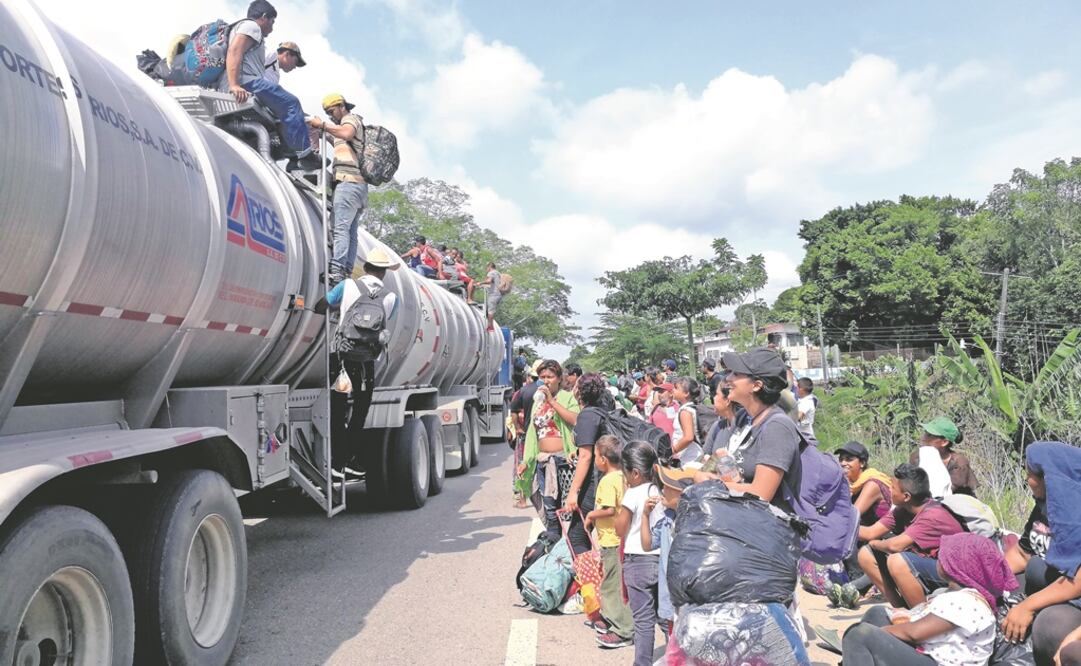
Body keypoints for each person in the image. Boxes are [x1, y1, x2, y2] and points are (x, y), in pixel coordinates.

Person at [841, 532, 1016, 666]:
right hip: (932, 655)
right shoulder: (955, 595)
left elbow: (913, 633)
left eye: (942, 555)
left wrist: (878, 633)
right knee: (877, 613)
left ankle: (858, 651)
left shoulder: (967, 603)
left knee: (859, 635)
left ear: (955, 567)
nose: (937, 558)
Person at [313, 248, 399, 468]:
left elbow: (322, 305)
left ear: (366, 267)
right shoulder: (391, 297)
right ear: (384, 273)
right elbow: (382, 322)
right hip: (366, 363)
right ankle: (350, 456)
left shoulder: (348, 285)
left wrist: (335, 308)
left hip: (342, 359)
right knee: (360, 409)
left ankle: (337, 459)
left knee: (338, 407)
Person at [1001, 442, 1081, 666]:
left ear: (1050, 477)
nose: (1027, 481)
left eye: (1030, 475)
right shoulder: (1045, 506)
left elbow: (1078, 579)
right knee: (1008, 586)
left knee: (1050, 625)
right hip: (1054, 585)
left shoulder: (1075, 513)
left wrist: (1028, 606)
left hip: (1074, 593)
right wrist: (989, 578)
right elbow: (1022, 554)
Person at [220, 1, 319, 171]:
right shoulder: (252, 27)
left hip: (248, 82)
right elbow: (235, 51)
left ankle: (295, 154)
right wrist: (234, 84)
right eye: (272, 22)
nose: (272, 29)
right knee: (291, 103)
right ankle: (304, 154)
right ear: (264, 17)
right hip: (247, 82)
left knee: (288, 111)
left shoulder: (244, 28)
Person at [856, 463, 964, 609]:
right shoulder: (902, 510)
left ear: (906, 496)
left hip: (953, 574)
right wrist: (834, 526)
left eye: (893, 487)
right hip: (930, 566)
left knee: (898, 561)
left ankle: (919, 616)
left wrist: (875, 544)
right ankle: (900, 609)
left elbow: (895, 546)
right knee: (865, 554)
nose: (889, 490)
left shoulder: (933, 515)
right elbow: (870, 532)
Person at [307, 93, 371, 286]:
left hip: (348, 183)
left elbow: (346, 134)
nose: (330, 116)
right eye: (327, 114)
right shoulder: (342, 127)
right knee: (350, 232)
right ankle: (346, 271)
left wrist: (322, 125)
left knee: (340, 229)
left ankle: (336, 270)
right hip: (358, 187)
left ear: (342, 106)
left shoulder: (350, 120)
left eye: (331, 111)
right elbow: (339, 139)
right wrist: (321, 133)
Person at [514, 360, 581, 544]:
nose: (545, 381)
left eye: (550, 377)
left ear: (559, 379)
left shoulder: (567, 397)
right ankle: (554, 547)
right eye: (542, 377)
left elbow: (575, 419)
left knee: (568, 510)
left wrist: (552, 402)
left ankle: (570, 548)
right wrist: (526, 460)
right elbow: (532, 434)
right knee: (550, 509)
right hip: (543, 462)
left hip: (564, 461)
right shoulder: (538, 401)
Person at [584, 436, 634, 648]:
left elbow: (609, 510)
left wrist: (590, 516)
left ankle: (622, 630)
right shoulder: (623, 476)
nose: (595, 460)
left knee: (611, 585)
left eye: (596, 456)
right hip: (620, 538)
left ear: (603, 459)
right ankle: (609, 617)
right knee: (615, 582)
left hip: (612, 540)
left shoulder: (607, 481)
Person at [615, 440, 661, 666]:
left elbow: (620, 529)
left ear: (634, 473)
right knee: (664, 616)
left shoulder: (633, 494)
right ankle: (678, 657)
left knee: (643, 621)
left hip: (638, 561)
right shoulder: (659, 489)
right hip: (660, 560)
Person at [643, 465, 695, 641]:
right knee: (673, 647)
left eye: (668, 486)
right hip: (670, 600)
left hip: (690, 604)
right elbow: (648, 545)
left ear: (684, 494)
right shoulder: (666, 519)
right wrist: (645, 514)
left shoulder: (696, 525)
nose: (662, 490)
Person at [909, 417, 978, 496]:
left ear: (944, 442)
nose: (923, 438)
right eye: (925, 433)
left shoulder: (959, 462)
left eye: (929, 435)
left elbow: (944, 491)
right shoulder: (917, 457)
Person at [701, 378, 752, 459]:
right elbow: (703, 456)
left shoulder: (750, 429)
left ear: (727, 400)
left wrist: (718, 460)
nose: (714, 398)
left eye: (717, 394)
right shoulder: (717, 426)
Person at [669, 377, 703, 465]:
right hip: (688, 456)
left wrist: (672, 450)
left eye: (676, 388)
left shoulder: (685, 411)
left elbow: (688, 437)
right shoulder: (689, 408)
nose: (673, 390)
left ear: (686, 393)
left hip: (691, 457)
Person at [473, 262, 503, 331]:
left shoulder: (491, 272)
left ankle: (490, 327)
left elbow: (489, 281)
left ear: (489, 267)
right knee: (488, 310)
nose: (486, 269)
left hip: (493, 294)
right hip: (498, 294)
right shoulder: (498, 273)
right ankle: (488, 323)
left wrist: (480, 283)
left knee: (490, 311)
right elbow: (494, 284)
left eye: (487, 268)